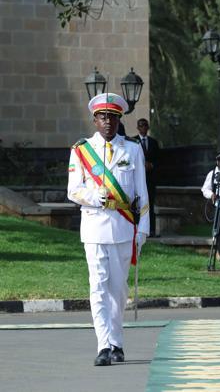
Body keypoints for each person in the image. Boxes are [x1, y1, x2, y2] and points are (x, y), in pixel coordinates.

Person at [67, 93, 149, 366]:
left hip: (124, 227)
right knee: (98, 287)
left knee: (118, 289)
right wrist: (94, 196)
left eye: (113, 117)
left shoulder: (133, 149)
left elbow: (142, 194)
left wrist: (143, 230)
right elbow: (73, 191)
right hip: (94, 228)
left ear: (119, 120)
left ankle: (117, 342)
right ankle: (103, 345)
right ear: (95, 119)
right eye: (103, 117)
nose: (108, 122)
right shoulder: (81, 150)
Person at [132, 118, 159, 236]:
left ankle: (151, 230)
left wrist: (151, 165)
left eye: (145, 126)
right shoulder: (133, 141)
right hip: (137, 178)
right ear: (138, 128)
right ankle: (135, 228)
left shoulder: (153, 142)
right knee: (136, 204)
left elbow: (160, 159)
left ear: (148, 128)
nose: (143, 128)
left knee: (150, 203)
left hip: (150, 179)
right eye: (141, 126)